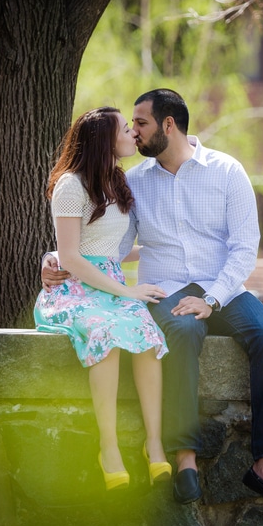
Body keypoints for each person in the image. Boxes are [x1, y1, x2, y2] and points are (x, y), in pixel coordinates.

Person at [43, 90, 263, 508]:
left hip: (224, 287)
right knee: (179, 331)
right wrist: (54, 259)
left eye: (140, 124)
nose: (134, 133)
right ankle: (184, 459)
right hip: (168, 289)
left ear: (167, 125)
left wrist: (212, 299)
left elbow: (245, 247)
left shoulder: (227, 171)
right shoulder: (134, 182)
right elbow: (107, 244)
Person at [34, 106, 173, 491]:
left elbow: (110, 248)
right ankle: (108, 448)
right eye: (126, 129)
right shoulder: (70, 185)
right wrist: (128, 291)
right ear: (104, 140)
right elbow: (73, 256)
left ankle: (154, 443)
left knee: (147, 336)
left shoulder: (115, 180)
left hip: (109, 282)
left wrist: (158, 250)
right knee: (106, 334)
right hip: (74, 289)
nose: (133, 134)